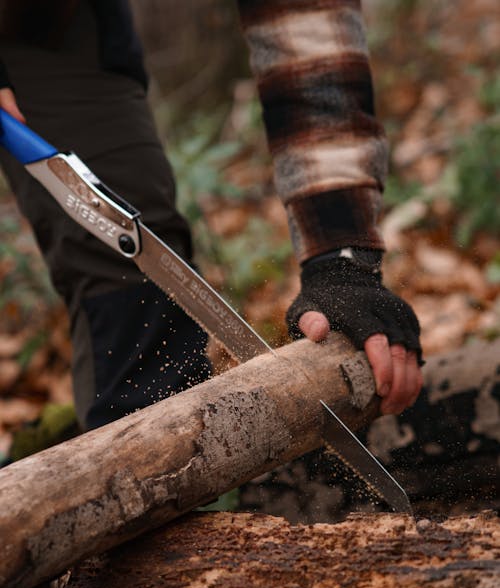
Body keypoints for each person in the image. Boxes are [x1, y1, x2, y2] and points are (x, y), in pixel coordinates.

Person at [0, 0, 422, 433]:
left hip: (55, 19)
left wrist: (340, 257)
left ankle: (167, 459)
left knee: (125, 241)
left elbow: (308, 37)